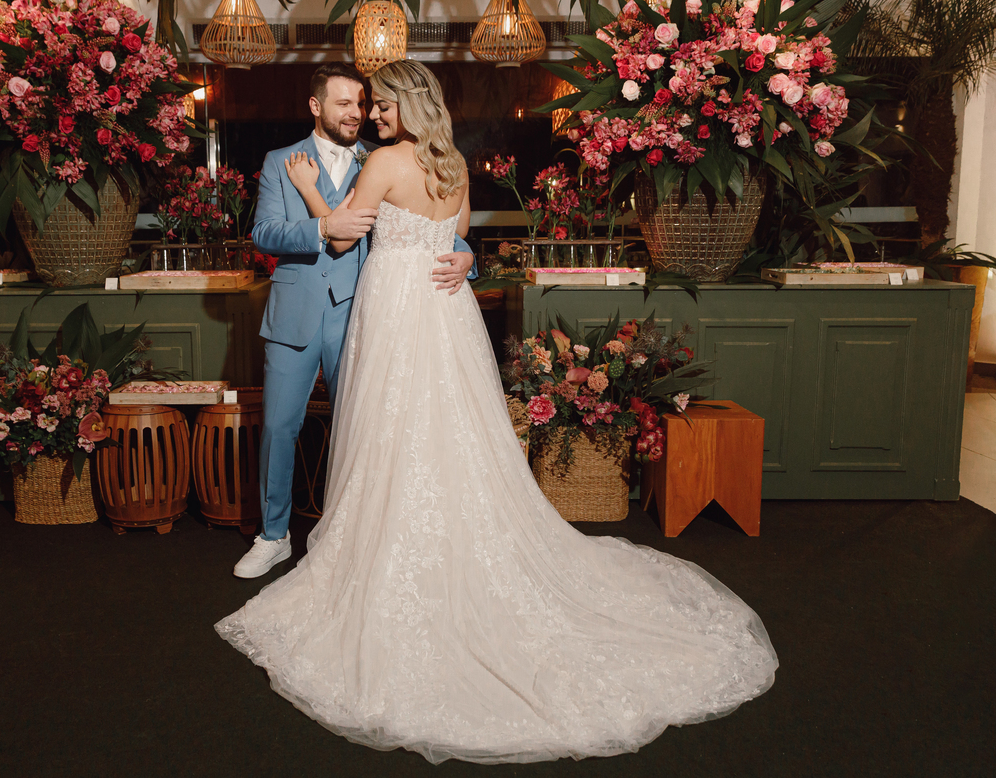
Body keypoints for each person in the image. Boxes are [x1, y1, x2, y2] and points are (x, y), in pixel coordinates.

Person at [217, 61, 779, 763]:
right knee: (447, 430)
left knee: (391, 429)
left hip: (393, 316)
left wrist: (310, 190)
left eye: (382, 103)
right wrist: (466, 261)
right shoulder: (452, 166)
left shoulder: (385, 161)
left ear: (404, 106)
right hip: (442, 319)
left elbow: (338, 237)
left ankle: (381, 538)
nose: (373, 113)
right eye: (364, 104)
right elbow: (455, 240)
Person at [236, 63, 475, 579]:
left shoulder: (381, 157)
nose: (358, 113)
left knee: (366, 431)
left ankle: (348, 534)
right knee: (280, 426)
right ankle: (272, 536)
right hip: (297, 309)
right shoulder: (282, 161)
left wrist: (468, 256)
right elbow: (265, 232)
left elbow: (434, 232)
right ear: (316, 106)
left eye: (365, 104)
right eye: (345, 104)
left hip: (367, 314)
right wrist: (322, 226)